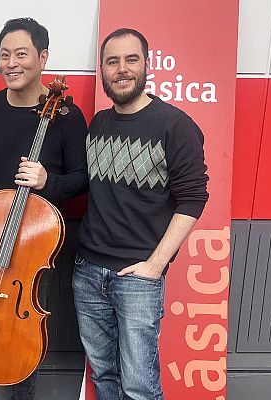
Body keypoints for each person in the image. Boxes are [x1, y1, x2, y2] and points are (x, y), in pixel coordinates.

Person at [0, 17, 88, 400]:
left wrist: (48, 181)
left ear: (43, 57)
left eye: (21, 54)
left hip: (35, 247)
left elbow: (83, 178)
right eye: (4, 55)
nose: (11, 63)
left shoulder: (68, 117)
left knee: (22, 332)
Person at [74, 28, 209, 399]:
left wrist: (155, 265)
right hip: (87, 272)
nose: (122, 69)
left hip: (137, 277)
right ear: (102, 70)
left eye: (131, 59)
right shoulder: (98, 123)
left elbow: (193, 198)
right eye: (112, 61)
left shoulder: (175, 126)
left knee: (139, 387)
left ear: (146, 65)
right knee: (104, 376)